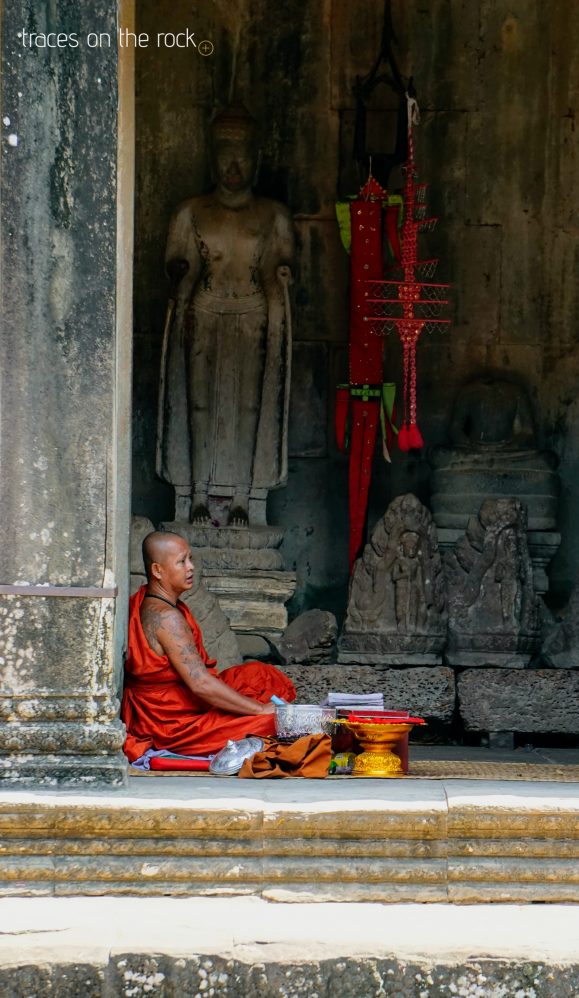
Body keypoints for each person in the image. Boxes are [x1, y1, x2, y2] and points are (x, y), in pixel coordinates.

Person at [156, 104, 295, 527]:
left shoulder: (273, 215)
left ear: (256, 157)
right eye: (225, 153)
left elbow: (281, 265)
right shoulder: (191, 212)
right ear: (212, 156)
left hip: (252, 314)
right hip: (205, 311)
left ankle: (242, 500)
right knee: (197, 407)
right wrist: (180, 277)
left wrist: (281, 281)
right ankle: (196, 496)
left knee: (250, 409)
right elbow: (177, 261)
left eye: (242, 154)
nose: (233, 165)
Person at [121, 531, 295, 763]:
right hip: (170, 722)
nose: (191, 567)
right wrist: (258, 710)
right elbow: (201, 684)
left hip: (174, 701)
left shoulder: (151, 602)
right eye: (181, 562)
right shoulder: (166, 618)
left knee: (263, 676)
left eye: (190, 559)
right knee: (277, 722)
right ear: (157, 571)